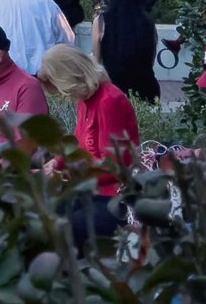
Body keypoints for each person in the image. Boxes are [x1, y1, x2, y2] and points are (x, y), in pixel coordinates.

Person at [39, 42, 137, 245]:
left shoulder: (110, 101)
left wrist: (66, 174)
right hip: (92, 191)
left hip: (116, 196)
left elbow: (115, 167)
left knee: (68, 225)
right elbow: (79, 146)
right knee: (44, 213)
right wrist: (57, 163)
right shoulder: (86, 100)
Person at [92, 0, 162, 104]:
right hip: (147, 90)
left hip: (115, 92)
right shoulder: (147, 22)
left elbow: (97, 62)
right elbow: (150, 59)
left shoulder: (101, 21)